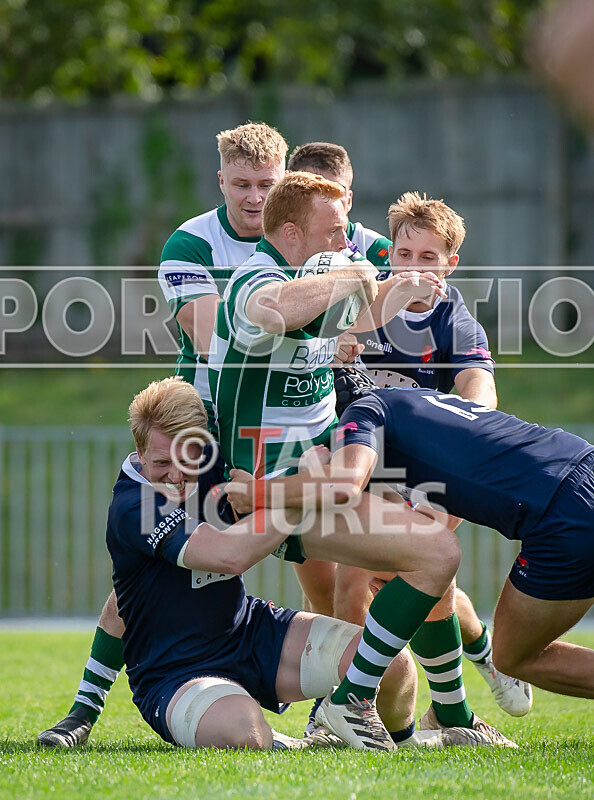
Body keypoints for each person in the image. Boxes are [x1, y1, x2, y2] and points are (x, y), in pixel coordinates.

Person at [209, 171, 513, 749]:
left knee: (428, 567)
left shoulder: (430, 313)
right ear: (294, 233)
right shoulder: (263, 277)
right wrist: (357, 279)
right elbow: (270, 310)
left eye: (350, 238)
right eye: (335, 234)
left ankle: (390, 702)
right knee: (395, 575)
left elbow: (478, 389)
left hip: (329, 485)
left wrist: (455, 450)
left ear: (451, 263)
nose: (346, 245)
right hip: (281, 488)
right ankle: (371, 706)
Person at [38, 121, 288, 748]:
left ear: (284, 182)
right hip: (202, 431)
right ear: (220, 181)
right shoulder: (191, 243)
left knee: (343, 566)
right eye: (241, 184)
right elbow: (212, 337)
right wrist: (302, 329)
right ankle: (83, 712)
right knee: (142, 578)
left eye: (267, 184)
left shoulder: (308, 243)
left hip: (282, 427)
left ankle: (377, 708)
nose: (254, 197)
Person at [104, 377, 496, 751]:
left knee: (393, 668)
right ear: (139, 453)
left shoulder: (213, 460)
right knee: (244, 733)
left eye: (187, 459)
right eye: (160, 463)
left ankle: (403, 742)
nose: (177, 476)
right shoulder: (133, 507)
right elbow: (230, 555)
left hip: (246, 633)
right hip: (175, 672)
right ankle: (291, 739)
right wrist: (306, 489)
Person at [227, 384, 594, 743]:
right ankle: (445, 712)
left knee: (514, 657)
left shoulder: (363, 413)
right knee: (425, 561)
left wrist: (253, 493)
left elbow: (343, 485)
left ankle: (352, 698)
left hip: (562, 516)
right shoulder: (416, 399)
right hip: (581, 463)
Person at [335, 191, 531, 716]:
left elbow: (479, 392)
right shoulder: (360, 302)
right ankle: (357, 704)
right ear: (389, 255)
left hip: (434, 469)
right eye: (404, 255)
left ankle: (470, 668)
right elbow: (327, 350)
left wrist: (467, 434)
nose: (414, 268)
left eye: (428, 258)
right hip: (369, 463)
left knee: (423, 579)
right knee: (357, 577)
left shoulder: (456, 322)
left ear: (450, 264)